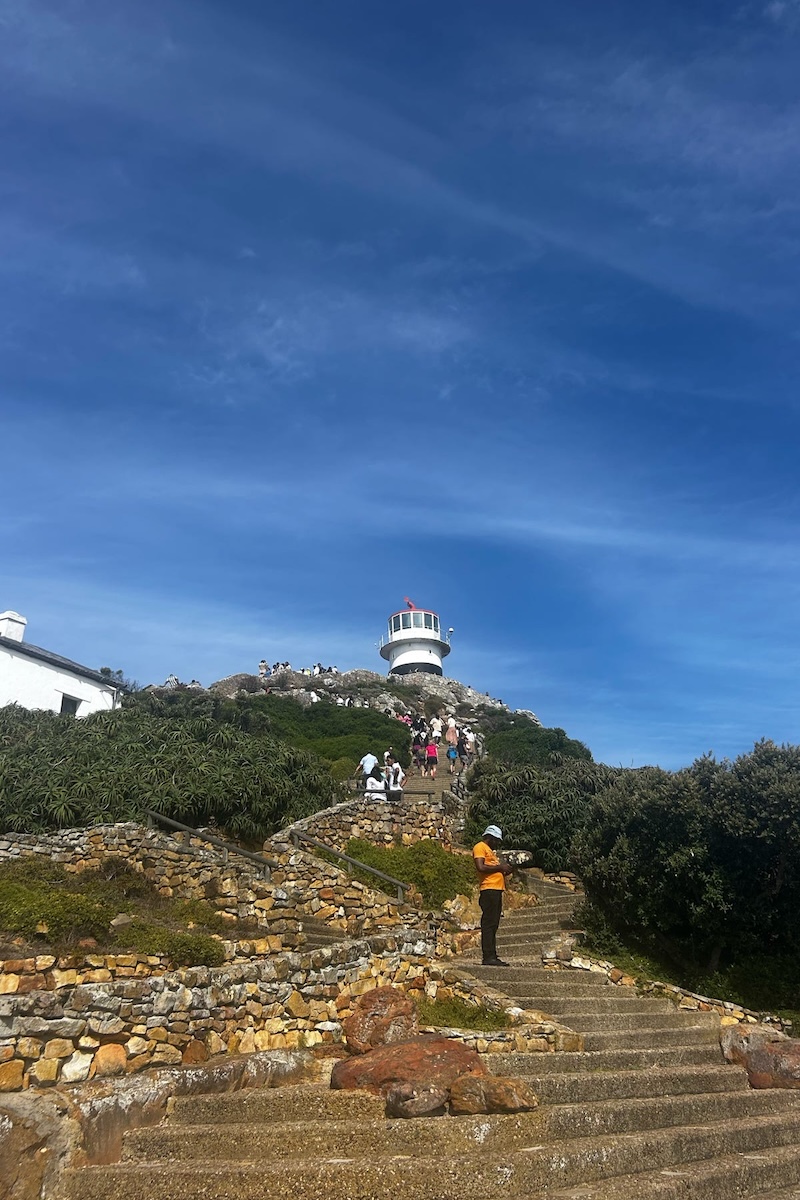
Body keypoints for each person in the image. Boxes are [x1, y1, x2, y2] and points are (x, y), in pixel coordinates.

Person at [472, 824, 512, 966]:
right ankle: (488, 956)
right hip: (489, 890)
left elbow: (492, 868)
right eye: (496, 840)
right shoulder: (480, 847)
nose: (497, 844)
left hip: (496, 890)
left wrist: (504, 870)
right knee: (489, 923)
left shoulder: (489, 850)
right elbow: (481, 867)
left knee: (494, 923)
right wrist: (500, 867)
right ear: (490, 838)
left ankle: (492, 955)